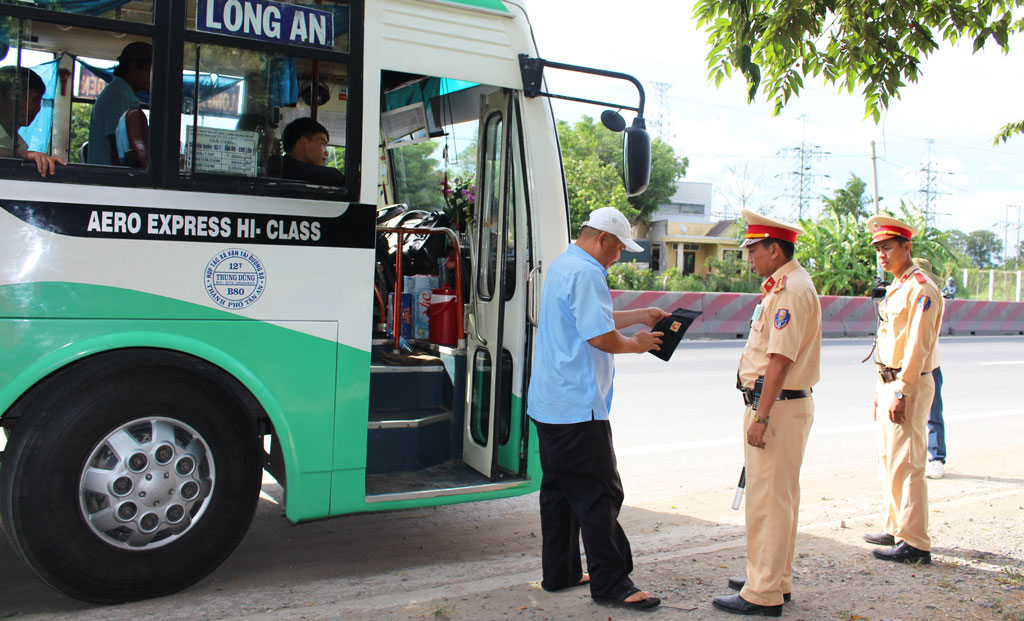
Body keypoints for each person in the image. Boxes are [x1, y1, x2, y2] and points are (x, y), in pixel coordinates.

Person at [527, 206, 666, 611]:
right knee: (600, 493)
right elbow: (600, 337)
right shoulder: (588, 272)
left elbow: (589, 320)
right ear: (602, 239)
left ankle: (561, 572)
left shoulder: (564, 264)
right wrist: (637, 343)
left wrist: (639, 315)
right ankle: (612, 584)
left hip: (550, 403)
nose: (619, 256)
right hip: (577, 407)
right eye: (619, 248)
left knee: (558, 492)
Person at [712, 210, 821, 618]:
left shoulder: (790, 290)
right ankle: (772, 578)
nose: (750, 258)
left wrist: (760, 416)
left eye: (754, 250)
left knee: (769, 502)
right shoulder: (785, 284)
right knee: (777, 498)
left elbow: (778, 361)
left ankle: (763, 594)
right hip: (780, 405)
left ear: (775, 249)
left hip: (776, 407)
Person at [862, 215, 943, 564]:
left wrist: (903, 390)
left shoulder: (920, 288)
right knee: (889, 459)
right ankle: (896, 526)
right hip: (889, 380)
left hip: (908, 382)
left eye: (888, 247)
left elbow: (917, 346)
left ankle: (915, 543)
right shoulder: (897, 285)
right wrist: (883, 389)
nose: (882, 254)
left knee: (909, 462)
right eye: (878, 248)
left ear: (907, 247)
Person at [912, 258, 948, 480]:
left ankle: (936, 457)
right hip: (907, 365)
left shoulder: (929, 295)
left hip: (928, 364)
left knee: (932, 414)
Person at [87, 41, 151, 165]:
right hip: (108, 180)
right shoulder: (118, 95)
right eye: (149, 70)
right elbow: (115, 146)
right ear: (133, 66)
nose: (151, 77)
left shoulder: (124, 93)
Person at [0, 66, 66, 177]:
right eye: (22, 98)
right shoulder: (20, 151)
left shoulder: (19, 144)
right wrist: (23, 155)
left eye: (36, 100)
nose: (31, 107)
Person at [280, 117, 345, 185]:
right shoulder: (285, 169)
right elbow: (335, 176)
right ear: (304, 142)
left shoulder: (284, 166)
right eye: (323, 144)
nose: (326, 153)